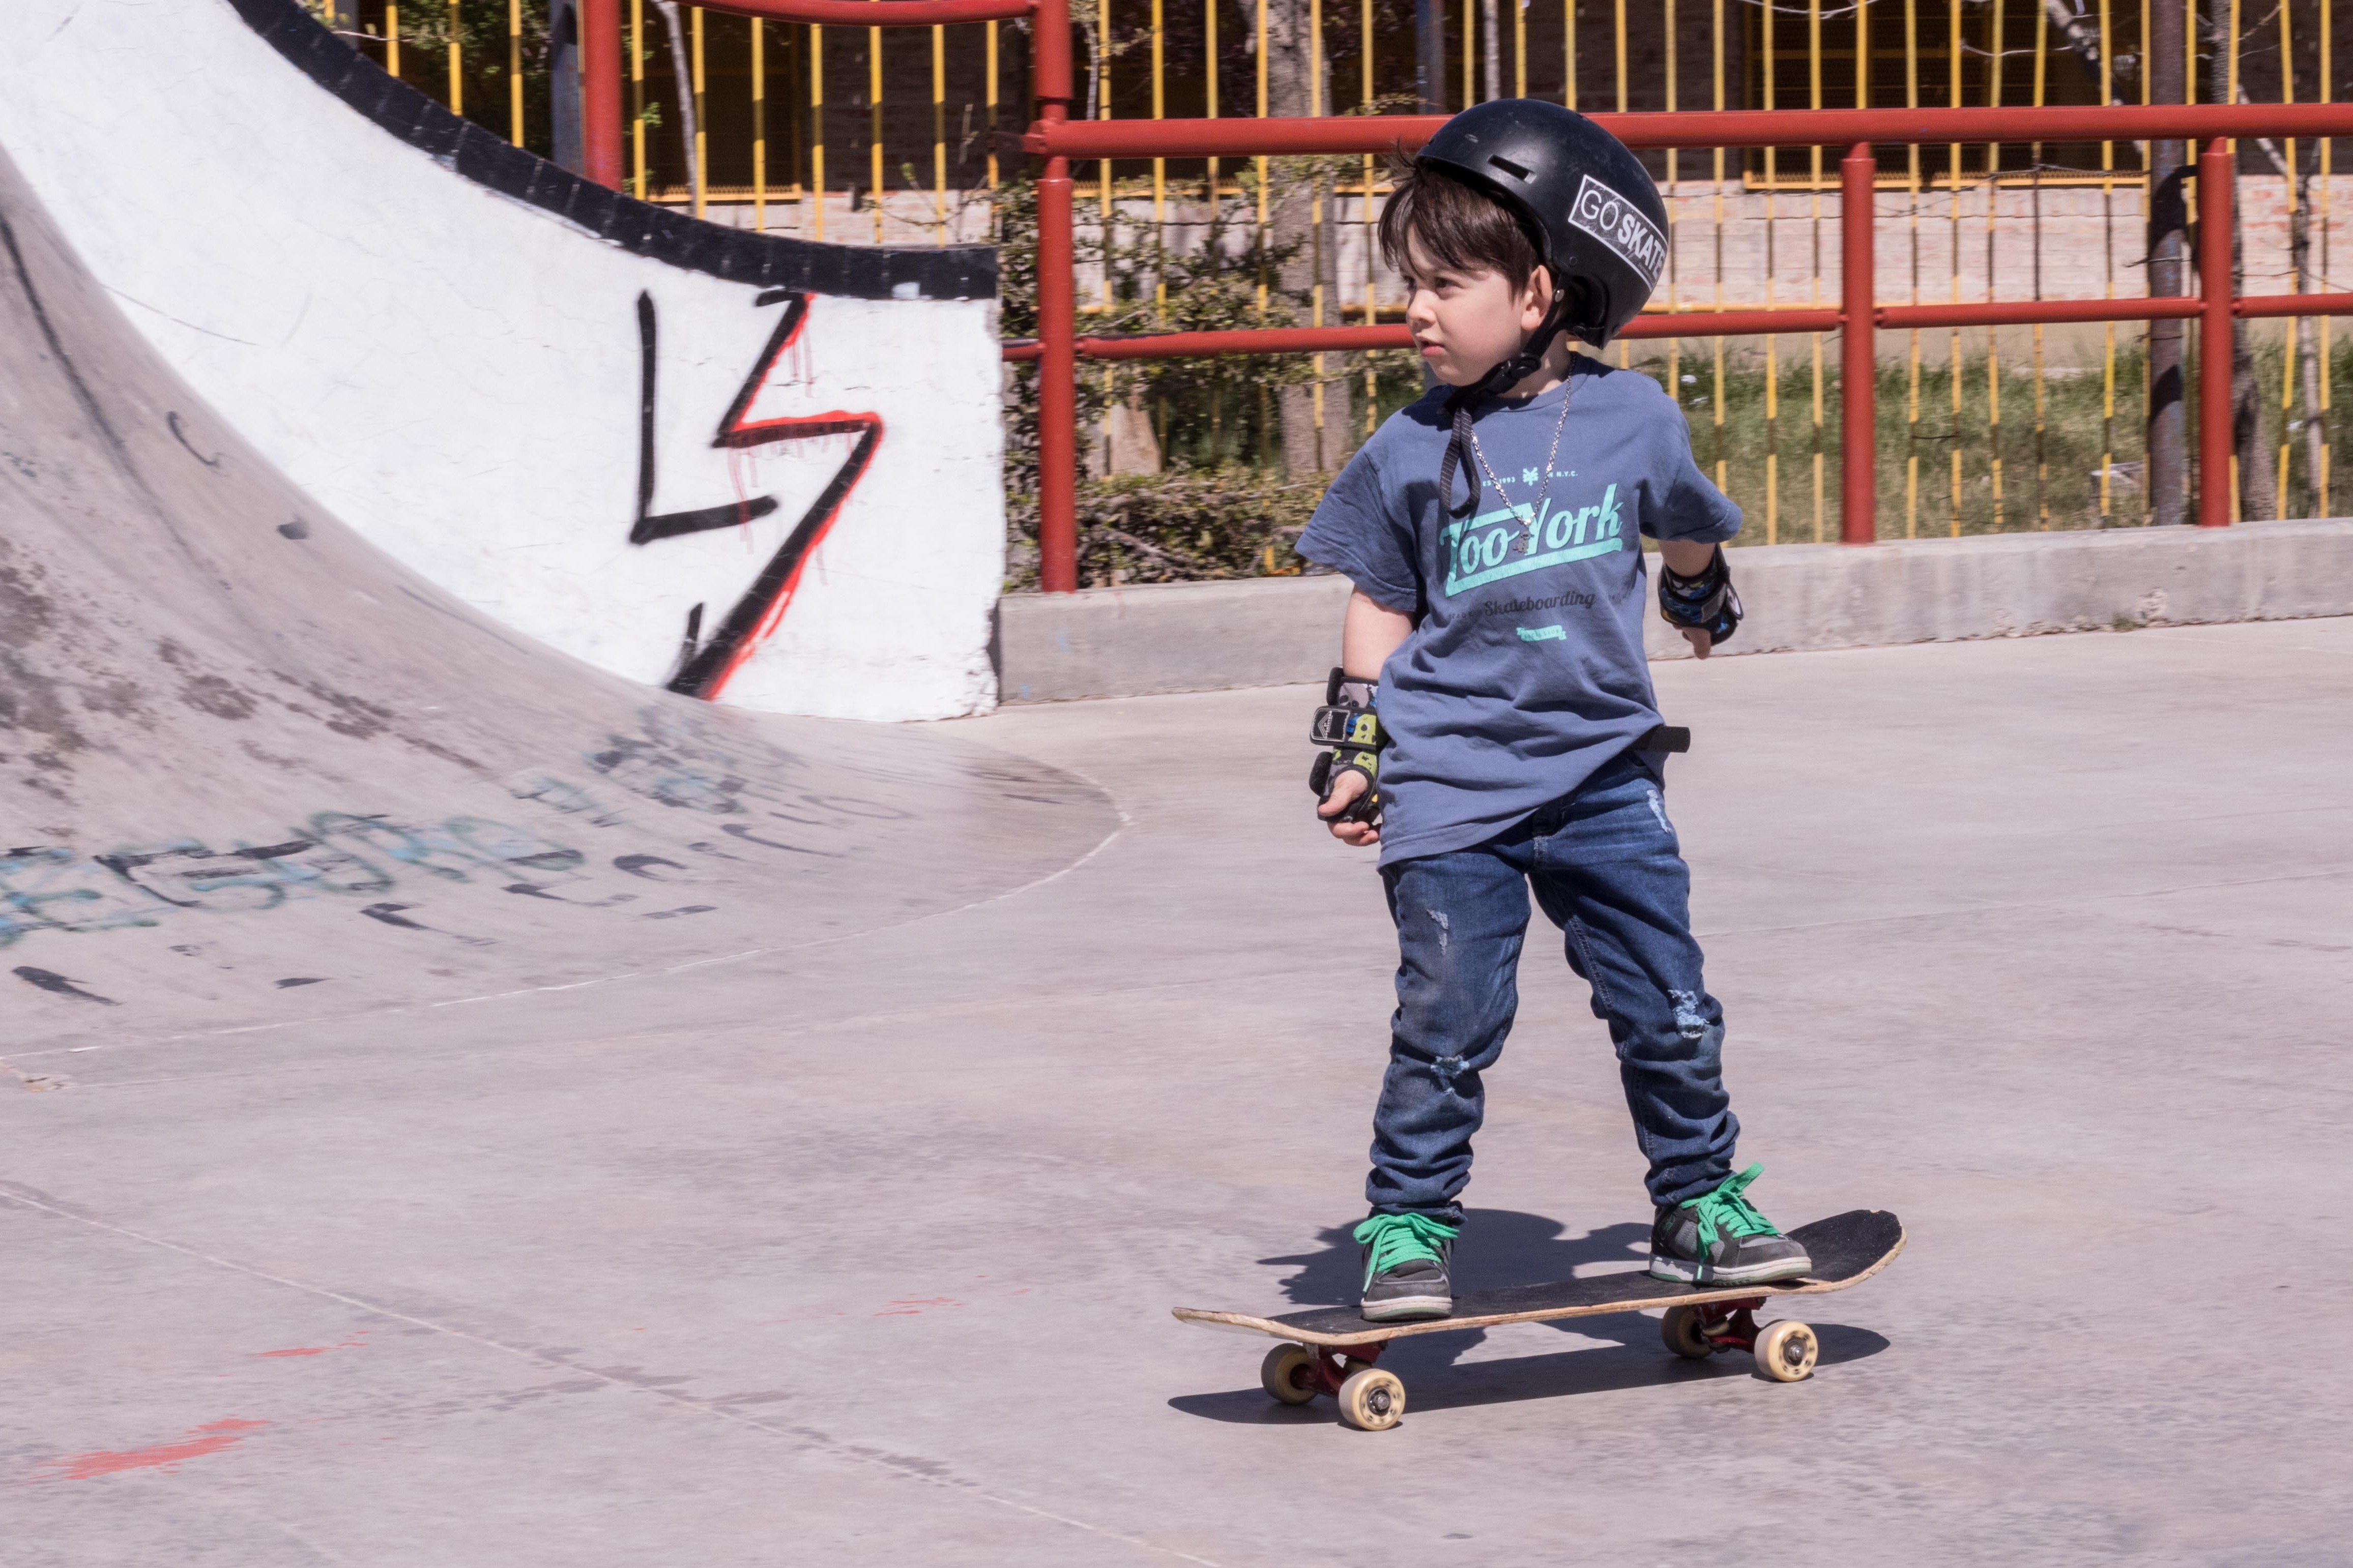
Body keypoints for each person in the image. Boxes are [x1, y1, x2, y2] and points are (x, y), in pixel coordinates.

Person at [1296, 100, 1811, 1323]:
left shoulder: (1632, 418)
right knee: (1448, 1020)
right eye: (1407, 284)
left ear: (1539, 296)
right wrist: (1355, 748)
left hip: (1602, 784)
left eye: (1444, 284)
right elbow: (1380, 601)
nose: (1413, 310)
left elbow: (1684, 516)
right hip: (1450, 790)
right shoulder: (1406, 448)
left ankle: (1697, 1204)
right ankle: (1408, 1225)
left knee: (1667, 1004)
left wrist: (1700, 588)